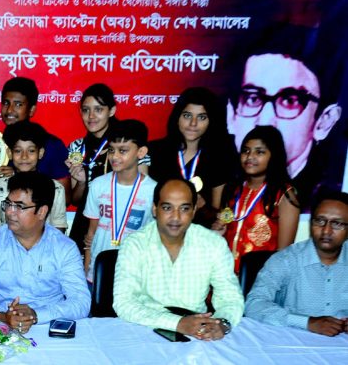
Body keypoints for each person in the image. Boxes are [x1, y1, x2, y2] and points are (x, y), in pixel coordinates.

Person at [113, 179, 243, 341]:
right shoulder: (135, 244)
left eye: (184, 209)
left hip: (198, 333)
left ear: (194, 211)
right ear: (155, 209)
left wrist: (221, 323)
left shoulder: (213, 244)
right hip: (143, 329)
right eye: (167, 208)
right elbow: (124, 302)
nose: (175, 217)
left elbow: (230, 297)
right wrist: (178, 323)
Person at [0, 172, 90, 334]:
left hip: (48, 328)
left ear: (42, 212)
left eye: (19, 206)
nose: (10, 212)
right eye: (8, 204)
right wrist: (2, 316)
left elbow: (81, 302)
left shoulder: (64, 248)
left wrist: (36, 315)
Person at [227, 53, 342, 208]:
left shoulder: (325, 200)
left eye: (289, 101)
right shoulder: (225, 184)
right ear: (231, 115)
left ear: (324, 122)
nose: (265, 122)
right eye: (252, 99)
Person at [244, 191, 348, 336]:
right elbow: (254, 305)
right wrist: (307, 322)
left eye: (337, 224)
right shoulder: (286, 260)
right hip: (293, 341)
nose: (326, 230)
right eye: (320, 221)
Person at [65, 84, 149, 251]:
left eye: (98, 109)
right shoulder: (77, 147)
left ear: (111, 111)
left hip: (122, 223)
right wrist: (81, 183)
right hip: (86, 222)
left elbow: (141, 193)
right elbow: (75, 201)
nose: (91, 116)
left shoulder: (130, 144)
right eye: (86, 110)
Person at [213, 126, 298, 272]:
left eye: (259, 152)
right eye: (246, 151)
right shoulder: (232, 189)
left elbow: (283, 253)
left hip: (258, 279)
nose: (250, 156)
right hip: (224, 275)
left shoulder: (284, 195)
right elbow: (225, 221)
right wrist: (219, 227)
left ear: (274, 156)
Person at [149, 87, 238, 226]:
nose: (193, 123)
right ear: (177, 117)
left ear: (211, 121)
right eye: (187, 115)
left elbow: (224, 214)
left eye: (202, 117)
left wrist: (203, 206)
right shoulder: (156, 151)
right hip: (159, 232)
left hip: (201, 235)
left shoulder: (221, 157)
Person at [83, 119, 157, 281]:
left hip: (134, 275)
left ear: (141, 152)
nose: (114, 156)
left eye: (122, 151)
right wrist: (86, 272)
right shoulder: (97, 185)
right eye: (111, 150)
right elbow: (91, 234)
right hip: (97, 274)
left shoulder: (153, 191)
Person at [0, 77, 72, 205]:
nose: (10, 110)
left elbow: (65, 199)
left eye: (18, 104)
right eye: (6, 103)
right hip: (3, 221)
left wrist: (17, 178)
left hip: (39, 222)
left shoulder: (52, 145)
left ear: (32, 110)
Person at [0, 120, 68, 232]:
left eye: (31, 151)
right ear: (9, 153)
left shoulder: (56, 188)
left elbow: (59, 227)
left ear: (41, 153)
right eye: (18, 151)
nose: (24, 157)